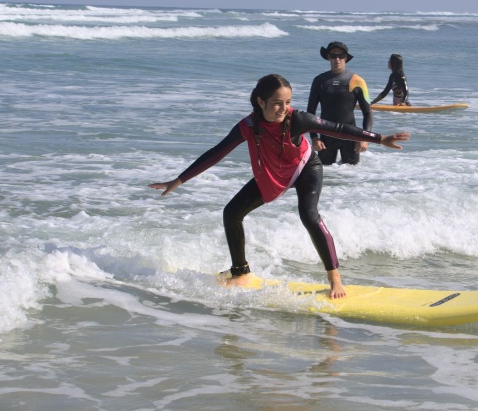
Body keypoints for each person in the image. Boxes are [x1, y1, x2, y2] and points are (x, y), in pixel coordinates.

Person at [149, 74, 410, 299]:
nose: (283, 108)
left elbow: (338, 128)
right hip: (273, 172)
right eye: (277, 103)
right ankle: (240, 272)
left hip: (305, 167)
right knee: (232, 212)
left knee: (309, 214)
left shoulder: (298, 119)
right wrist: (179, 180)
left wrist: (379, 138)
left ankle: (335, 278)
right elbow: (217, 153)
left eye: (287, 102)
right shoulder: (248, 126)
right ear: (260, 102)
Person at [307, 41, 373, 165]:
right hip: (326, 138)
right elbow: (310, 112)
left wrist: (365, 138)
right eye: (333, 55)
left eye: (341, 55)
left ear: (346, 57)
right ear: (328, 57)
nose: (337, 59)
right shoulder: (319, 80)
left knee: (350, 177)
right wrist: (314, 138)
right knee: (326, 177)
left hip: (351, 137)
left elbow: (368, 113)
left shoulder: (357, 81)